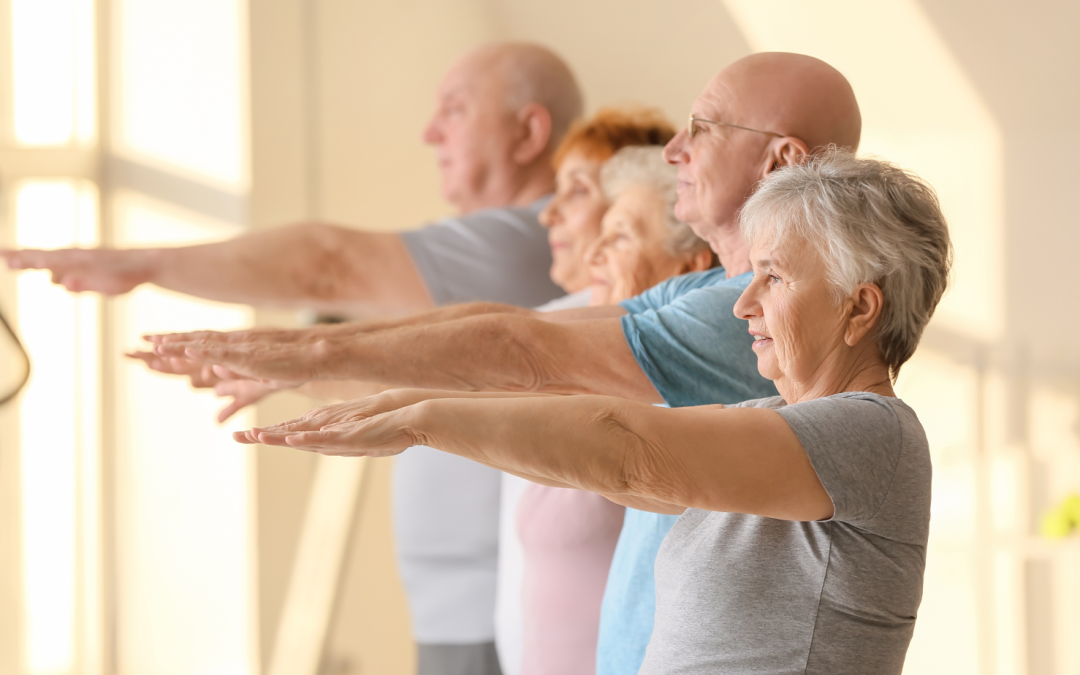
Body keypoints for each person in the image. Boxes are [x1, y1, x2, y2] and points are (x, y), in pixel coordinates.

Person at [142, 52, 859, 672]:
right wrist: (315, 363)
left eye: (704, 128)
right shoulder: (705, 291)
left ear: (782, 161)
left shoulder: (750, 315)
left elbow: (530, 357)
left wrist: (341, 368)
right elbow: (519, 331)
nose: (677, 147)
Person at [235, 149, 954, 674]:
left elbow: (628, 448)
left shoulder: (872, 433)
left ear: (860, 307)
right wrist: (410, 404)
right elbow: (625, 476)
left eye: (775, 276)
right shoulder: (769, 414)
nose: (744, 302)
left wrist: (423, 418)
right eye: (750, 273)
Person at [2, 41, 585, 675]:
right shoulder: (501, 248)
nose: (429, 132)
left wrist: (143, 264)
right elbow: (420, 370)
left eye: (455, 110)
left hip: (493, 615)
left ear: (528, 131)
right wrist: (287, 365)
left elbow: (326, 266)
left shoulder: (525, 242)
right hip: (463, 611)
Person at [515, 144, 713, 675]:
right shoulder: (597, 379)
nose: (594, 252)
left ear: (691, 270)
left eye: (620, 235)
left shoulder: (683, 405)